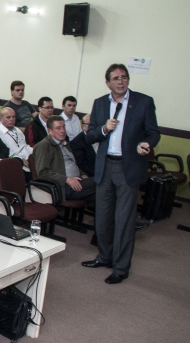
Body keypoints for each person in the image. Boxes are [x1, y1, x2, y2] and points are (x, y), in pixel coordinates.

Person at [82, 64, 160, 284]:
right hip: (105, 166)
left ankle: (121, 267)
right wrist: (104, 129)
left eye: (124, 77)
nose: (120, 81)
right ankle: (104, 257)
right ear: (108, 82)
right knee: (103, 217)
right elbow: (90, 136)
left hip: (129, 166)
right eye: (116, 78)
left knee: (124, 220)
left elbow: (153, 132)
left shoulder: (143, 102)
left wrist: (146, 143)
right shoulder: (100, 103)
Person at [33, 117, 96, 202]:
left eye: (64, 127)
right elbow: (42, 173)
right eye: (58, 128)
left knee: (102, 195)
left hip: (77, 180)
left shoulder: (65, 144)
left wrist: (83, 174)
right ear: (50, 131)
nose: (63, 131)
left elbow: (73, 163)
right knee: (101, 182)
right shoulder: (44, 146)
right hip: (62, 186)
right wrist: (66, 179)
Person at [0, 107, 33, 179]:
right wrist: (20, 159)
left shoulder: (17, 130)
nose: (12, 119)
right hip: (15, 164)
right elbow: (4, 154)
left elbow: (25, 146)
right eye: (8, 117)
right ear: (1, 119)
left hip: (28, 160)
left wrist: (36, 151)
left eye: (13, 117)